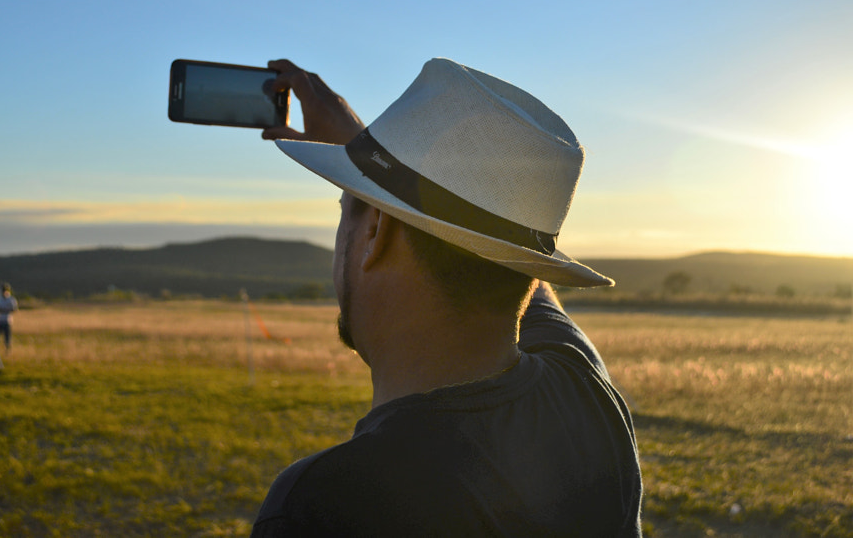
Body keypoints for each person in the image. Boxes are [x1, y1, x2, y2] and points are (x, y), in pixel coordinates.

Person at [249, 59, 642, 536]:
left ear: (375, 230)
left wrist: (372, 162)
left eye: (346, 207)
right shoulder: (585, 395)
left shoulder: (324, 506)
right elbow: (526, 281)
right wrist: (378, 169)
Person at [0, 283, 17, 352]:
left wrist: (5, 310)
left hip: (7, 321)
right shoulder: (0, 299)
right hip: (0, 320)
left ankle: (7, 349)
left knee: (7, 337)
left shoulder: (11, 299)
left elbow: (14, 309)